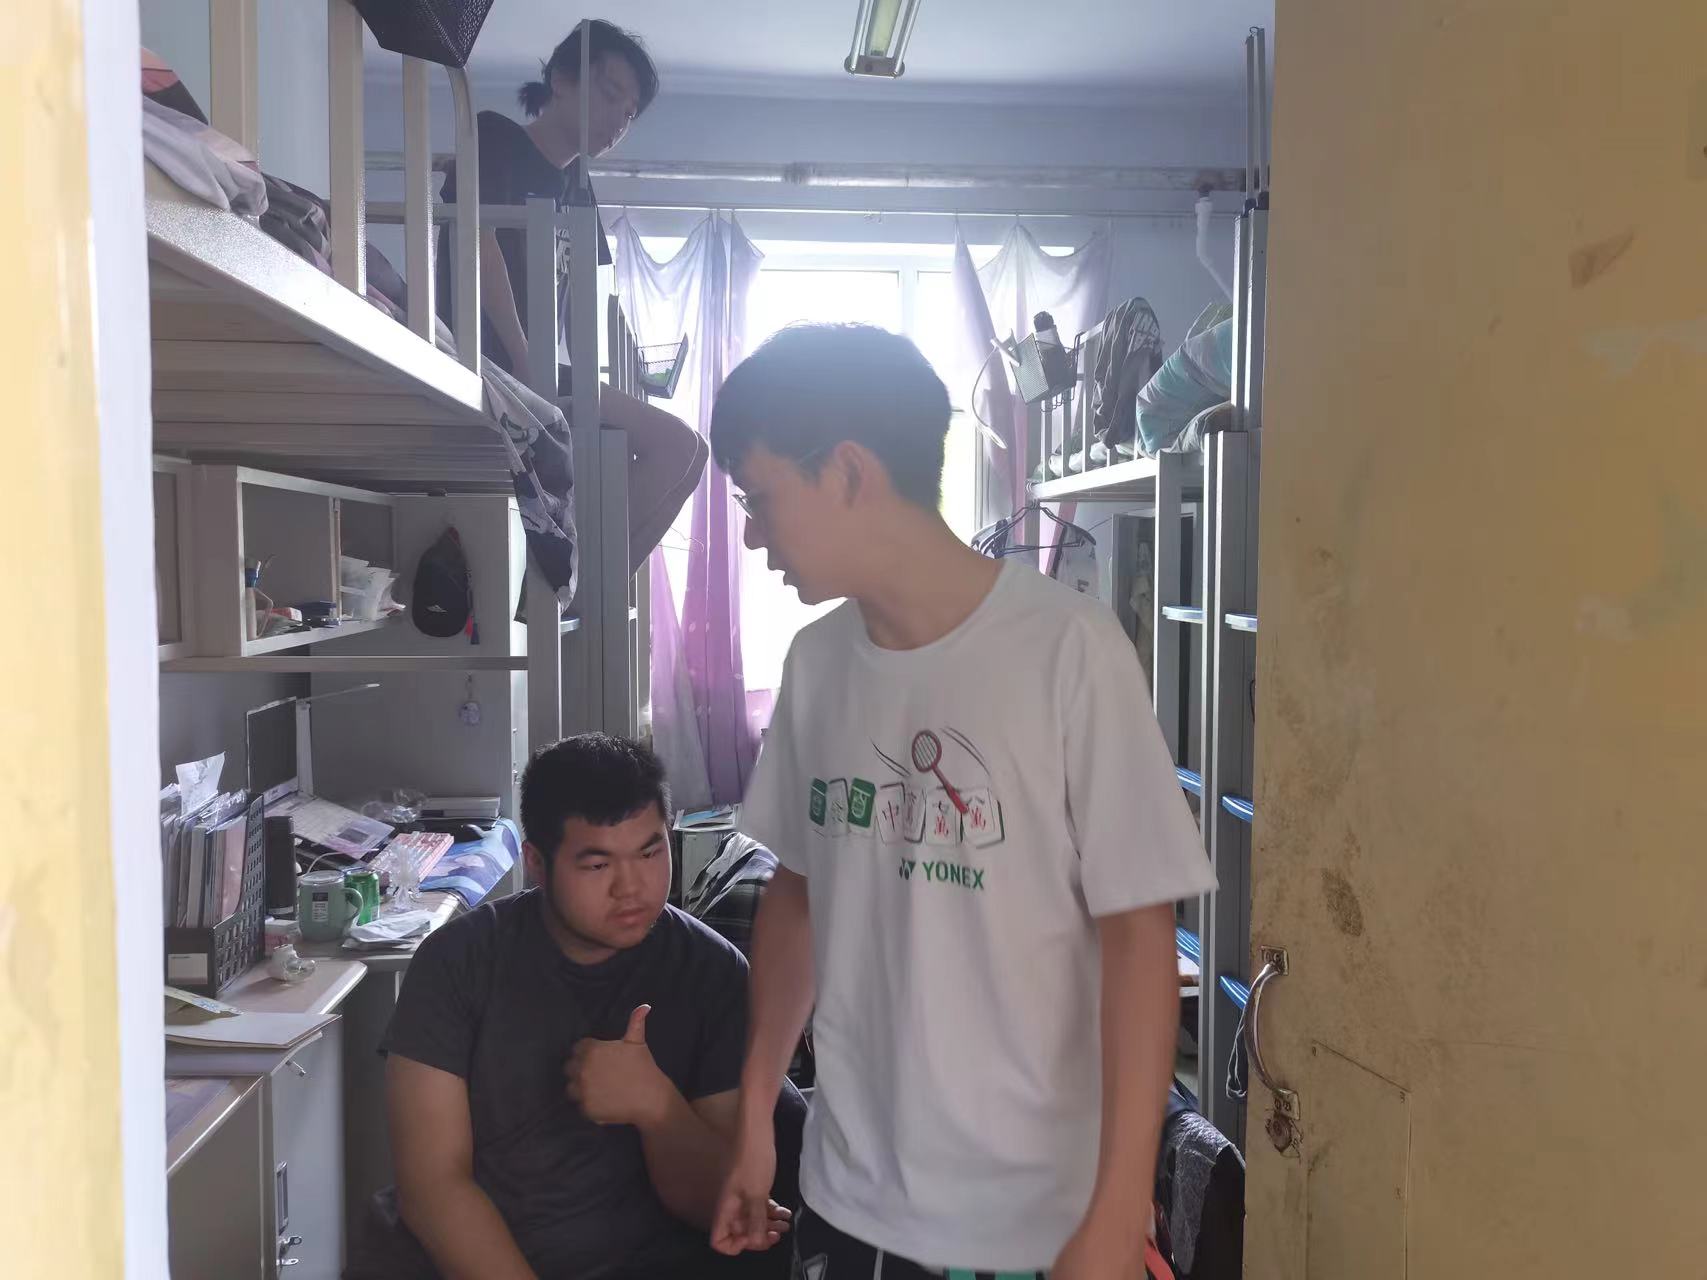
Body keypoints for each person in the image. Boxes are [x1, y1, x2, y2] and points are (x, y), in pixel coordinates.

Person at [704, 324, 1218, 1278]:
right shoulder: (817, 665)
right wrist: (756, 1114)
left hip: (1038, 1219)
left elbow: (1139, 934)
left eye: (757, 497)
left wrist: (1117, 1208)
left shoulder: (1065, 650)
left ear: (847, 471)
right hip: (852, 1197)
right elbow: (797, 894)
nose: (750, 534)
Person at [363, 734, 799, 1280]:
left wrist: (656, 1107)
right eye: (597, 865)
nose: (631, 888)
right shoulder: (456, 964)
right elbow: (433, 1189)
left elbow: (720, 1209)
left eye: (650, 852)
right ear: (537, 863)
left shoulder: (712, 971)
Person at [436, 20, 705, 572]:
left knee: (691, 453)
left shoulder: (578, 183)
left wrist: (618, 380)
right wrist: (525, 358)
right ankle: (586, 580)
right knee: (676, 445)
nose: (618, 121)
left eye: (629, 113)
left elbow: (590, 295)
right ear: (561, 80)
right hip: (491, 359)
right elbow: (477, 243)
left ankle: (595, 582)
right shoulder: (494, 136)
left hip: (540, 371)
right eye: (609, 94)